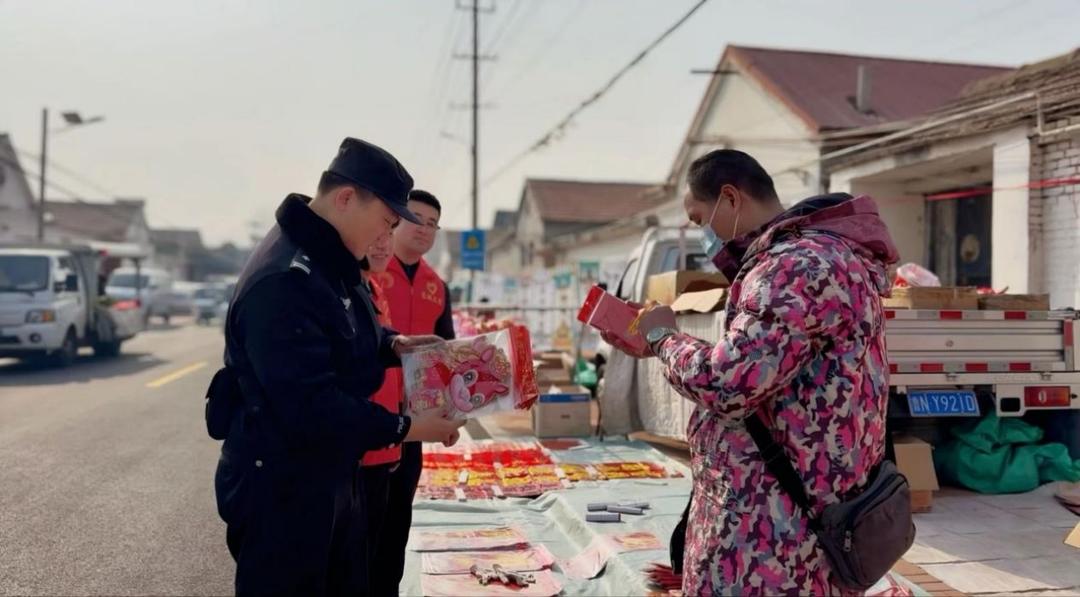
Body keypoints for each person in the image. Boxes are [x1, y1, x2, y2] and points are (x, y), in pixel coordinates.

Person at [621, 149, 898, 595]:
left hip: (777, 534)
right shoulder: (812, 258)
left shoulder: (794, 267)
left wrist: (663, 338)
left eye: (699, 220)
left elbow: (727, 382)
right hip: (791, 516)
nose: (704, 235)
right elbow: (761, 366)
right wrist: (659, 346)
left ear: (730, 199)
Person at [213, 137, 464, 596]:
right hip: (283, 487)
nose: (386, 237)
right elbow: (311, 406)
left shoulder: (331, 260)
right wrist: (409, 428)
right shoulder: (286, 279)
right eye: (386, 222)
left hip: (328, 472)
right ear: (346, 199)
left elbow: (352, 334)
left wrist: (397, 345)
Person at [367, 189, 454, 596]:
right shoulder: (370, 270)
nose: (424, 229)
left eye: (432, 224)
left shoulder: (437, 286)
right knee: (363, 529)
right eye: (416, 218)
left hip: (414, 424)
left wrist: (452, 410)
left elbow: (449, 354)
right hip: (371, 419)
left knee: (397, 522)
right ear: (395, 221)